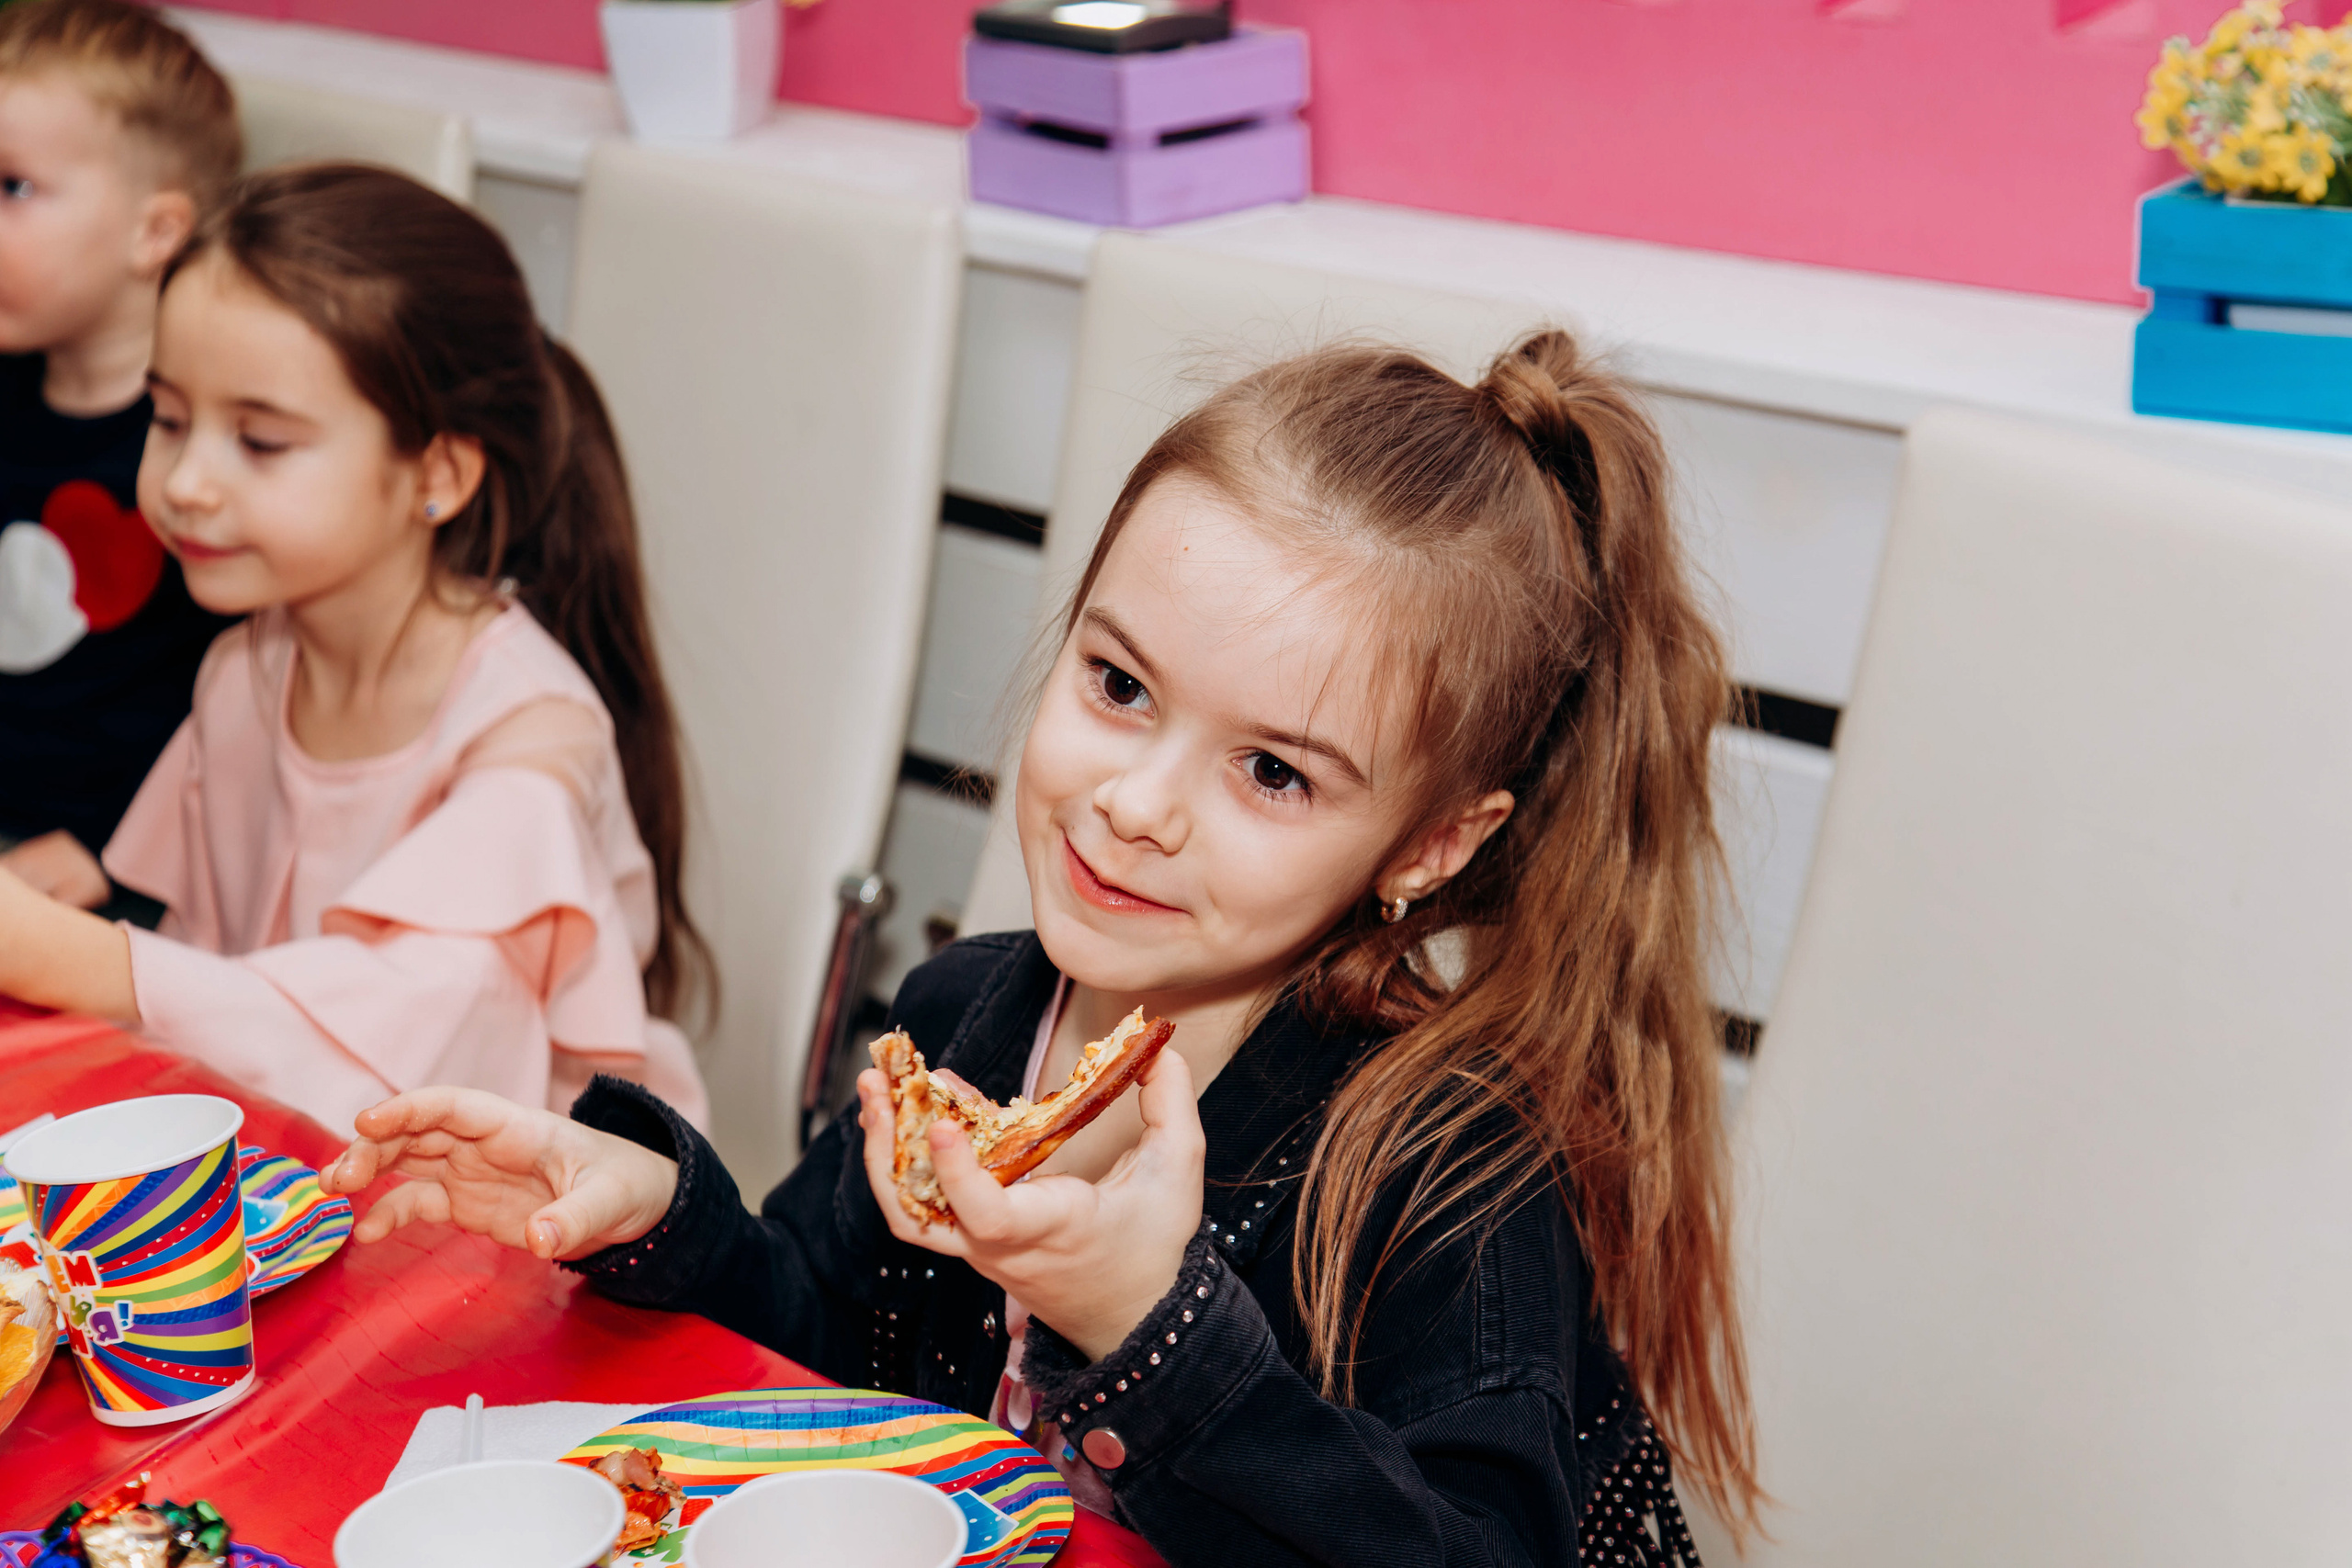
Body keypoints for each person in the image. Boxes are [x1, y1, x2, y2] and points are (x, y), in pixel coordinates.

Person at [322, 331, 1759, 1563]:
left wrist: (1153, 1323)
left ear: (1429, 844)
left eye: (1274, 773)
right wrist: (658, 1208)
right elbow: (819, 1339)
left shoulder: (1451, 1167)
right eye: (1120, 682)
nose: (1134, 803)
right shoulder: (970, 1018)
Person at [0, 164, 711, 1137]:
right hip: (301, 1174)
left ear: (439, 473)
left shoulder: (530, 739)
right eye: (168, 419)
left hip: (519, 1234)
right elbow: (211, 1005)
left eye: (260, 440)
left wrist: (62, 952)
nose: (187, 481)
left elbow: (423, 1047)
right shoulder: (242, 674)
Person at [0, 0, 239, 918]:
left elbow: (253, 712)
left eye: (13, 187)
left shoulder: (210, 455)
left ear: (154, 233)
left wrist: (116, 850)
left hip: (125, 876)